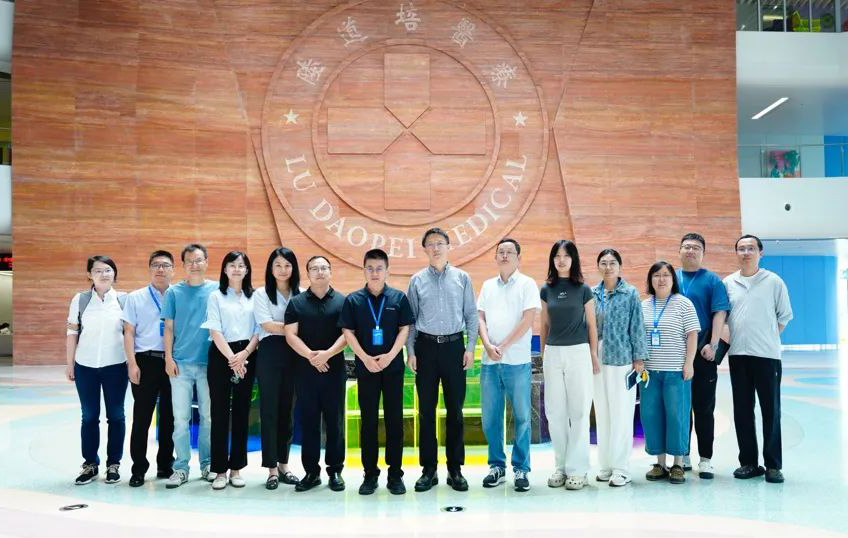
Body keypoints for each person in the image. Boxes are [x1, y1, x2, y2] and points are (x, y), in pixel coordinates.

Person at [407, 227, 478, 492]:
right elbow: (411, 321)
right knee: (426, 412)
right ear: (425, 249)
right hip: (425, 349)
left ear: (448, 246)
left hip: (454, 348)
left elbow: (471, 315)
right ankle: (429, 470)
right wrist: (410, 351)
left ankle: (455, 469)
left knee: (455, 412)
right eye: (431, 244)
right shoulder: (416, 280)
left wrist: (470, 348)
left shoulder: (462, 278)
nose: (436, 248)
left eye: (440, 243)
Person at [340, 248, 415, 495]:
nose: (375, 273)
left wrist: (391, 355)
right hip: (366, 368)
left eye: (379, 268)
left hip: (392, 368)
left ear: (387, 271)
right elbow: (348, 332)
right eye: (370, 268)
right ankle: (370, 474)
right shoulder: (353, 300)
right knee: (369, 422)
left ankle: (395, 474)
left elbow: (405, 329)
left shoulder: (398, 298)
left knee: (395, 421)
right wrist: (365, 358)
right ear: (364, 271)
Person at [724, 234, 792, 484]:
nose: (746, 253)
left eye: (751, 248)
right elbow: (723, 317)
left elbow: (784, 317)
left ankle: (773, 465)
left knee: (770, 411)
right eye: (741, 248)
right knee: (742, 411)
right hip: (738, 356)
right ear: (736, 253)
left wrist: (766, 338)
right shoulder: (728, 282)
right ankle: (749, 463)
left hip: (767, 357)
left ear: (760, 253)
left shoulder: (773, 281)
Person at [477, 238, 541, 492]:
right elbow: (480, 318)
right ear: (495, 257)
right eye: (500, 252)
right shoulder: (487, 286)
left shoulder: (527, 284)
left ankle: (521, 469)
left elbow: (528, 320)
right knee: (490, 418)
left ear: (518, 258)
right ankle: (496, 467)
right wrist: (487, 344)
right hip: (490, 362)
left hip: (517, 362)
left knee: (523, 417)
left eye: (509, 252)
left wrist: (503, 345)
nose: (504, 255)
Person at [284, 255, 347, 492]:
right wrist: (312, 356)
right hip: (305, 372)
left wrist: (327, 354)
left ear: (330, 272)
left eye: (324, 268)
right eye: (314, 268)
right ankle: (311, 472)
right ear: (308, 273)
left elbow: (348, 334)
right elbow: (291, 335)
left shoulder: (343, 301)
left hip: (334, 371)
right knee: (309, 422)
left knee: (335, 422)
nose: (319, 272)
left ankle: (335, 471)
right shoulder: (296, 303)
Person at [538, 240, 598, 490]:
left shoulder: (583, 290)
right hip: (553, 353)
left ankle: (578, 470)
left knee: (580, 411)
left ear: (573, 260)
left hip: (578, 352)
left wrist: (593, 354)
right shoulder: (546, 290)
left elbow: (592, 324)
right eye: (557, 256)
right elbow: (544, 324)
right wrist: (544, 355)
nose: (561, 260)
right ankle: (561, 467)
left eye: (566, 256)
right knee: (555, 412)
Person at [65, 255, 128, 485]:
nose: (103, 274)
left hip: (116, 367)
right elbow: (72, 333)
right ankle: (90, 464)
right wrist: (70, 363)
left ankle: (114, 464)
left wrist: (133, 363)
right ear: (89, 275)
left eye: (108, 270)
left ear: (114, 274)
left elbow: (130, 335)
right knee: (89, 416)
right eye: (98, 270)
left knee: (116, 416)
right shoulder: (80, 300)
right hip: (86, 367)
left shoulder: (124, 300)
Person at [162, 244, 218, 488]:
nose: (195, 265)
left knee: (208, 417)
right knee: (180, 419)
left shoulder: (216, 290)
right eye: (190, 261)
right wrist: (168, 358)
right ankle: (181, 467)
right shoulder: (173, 292)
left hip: (209, 364)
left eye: (199, 260)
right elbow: (168, 328)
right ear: (183, 265)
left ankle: (208, 464)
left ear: (206, 262)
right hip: (180, 365)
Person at [203, 251, 260, 490]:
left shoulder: (255, 296)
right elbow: (214, 330)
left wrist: (244, 354)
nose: (237, 269)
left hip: (248, 353)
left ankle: (236, 468)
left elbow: (258, 330)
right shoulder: (215, 296)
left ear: (247, 270)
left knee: (241, 411)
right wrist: (233, 359)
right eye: (232, 265)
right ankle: (219, 470)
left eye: (241, 265)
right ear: (225, 269)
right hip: (221, 355)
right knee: (219, 413)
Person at [591, 249, 647, 487]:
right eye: (603, 263)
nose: (608, 267)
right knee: (602, 413)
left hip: (622, 359)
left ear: (619, 267)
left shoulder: (630, 293)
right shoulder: (592, 293)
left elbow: (637, 326)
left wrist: (639, 358)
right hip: (596, 360)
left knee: (622, 414)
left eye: (612, 263)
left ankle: (622, 468)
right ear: (598, 267)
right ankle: (605, 465)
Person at [640, 261, 700, 484]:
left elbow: (692, 335)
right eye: (656, 275)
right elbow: (638, 336)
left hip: (676, 372)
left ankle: (678, 464)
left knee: (677, 416)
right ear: (650, 279)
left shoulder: (683, 304)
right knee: (652, 416)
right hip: (649, 373)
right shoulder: (644, 305)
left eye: (666, 275)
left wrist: (689, 363)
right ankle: (660, 463)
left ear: (673, 279)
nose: (661, 279)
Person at [676, 233, 730, 479]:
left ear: (703, 253)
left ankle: (706, 459)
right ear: (679, 251)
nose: (690, 250)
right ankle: (683, 454)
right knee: (680, 407)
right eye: (686, 246)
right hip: (676, 354)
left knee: (704, 407)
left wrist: (714, 344)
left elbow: (720, 313)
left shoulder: (712, 281)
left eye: (695, 247)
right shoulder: (671, 277)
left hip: (702, 352)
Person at [122, 250, 176, 487]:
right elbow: (129, 332)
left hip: (172, 361)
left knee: (170, 417)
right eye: (156, 265)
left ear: (173, 270)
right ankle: (138, 469)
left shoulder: (177, 295)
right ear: (149, 269)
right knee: (142, 417)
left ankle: (165, 465)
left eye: (165, 265)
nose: (160, 269)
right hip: (145, 361)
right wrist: (132, 363)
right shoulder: (135, 297)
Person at [254, 247, 301, 490]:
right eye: (278, 265)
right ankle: (271, 469)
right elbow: (267, 325)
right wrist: (293, 329)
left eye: (287, 265)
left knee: (287, 410)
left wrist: (290, 330)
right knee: (269, 410)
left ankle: (284, 465)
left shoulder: (301, 293)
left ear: (294, 268)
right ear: (271, 269)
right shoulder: (261, 294)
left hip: (294, 354)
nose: (283, 270)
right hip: (270, 353)